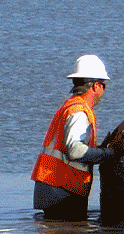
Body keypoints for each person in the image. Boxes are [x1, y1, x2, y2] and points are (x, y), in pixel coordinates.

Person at [32, 54, 117, 221]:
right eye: (104, 86)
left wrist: (100, 150)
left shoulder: (70, 107)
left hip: (53, 186)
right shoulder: (78, 111)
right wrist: (109, 153)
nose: (103, 91)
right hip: (61, 190)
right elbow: (76, 151)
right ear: (96, 86)